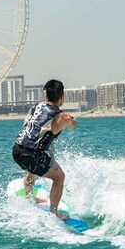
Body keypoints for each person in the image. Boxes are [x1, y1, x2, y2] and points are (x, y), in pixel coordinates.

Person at [12, 79, 76, 220]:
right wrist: (71, 119)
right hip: (31, 155)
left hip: (16, 150)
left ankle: (29, 196)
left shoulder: (36, 108)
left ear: (46, 96)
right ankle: (54, 213)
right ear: (61, 98)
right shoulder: (62, 116)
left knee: (30, 167)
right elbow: (72, 125)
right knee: (59, 177)